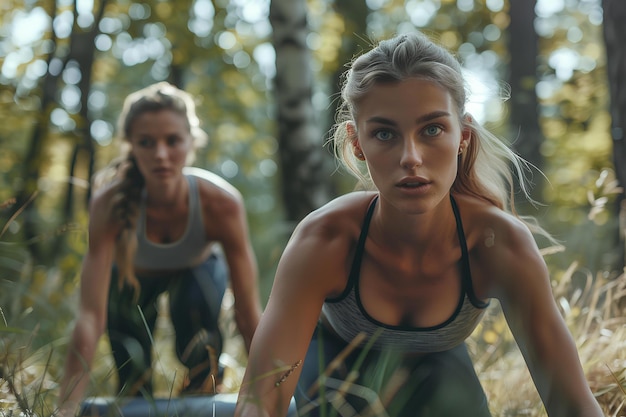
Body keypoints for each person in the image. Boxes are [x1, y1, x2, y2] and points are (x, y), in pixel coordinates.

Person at [234, 32, 604, 417]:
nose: (410, 158)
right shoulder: (324, 239)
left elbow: (573, 405)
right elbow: (259, 405)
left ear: (463, 135)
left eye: (431, 130)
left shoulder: (499, 243)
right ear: (357, 141)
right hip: (332, 381)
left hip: (443, 385)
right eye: (384, 133)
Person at [57, 82, 262, 417]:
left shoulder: (221, 203)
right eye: (146, 143)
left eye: (173, 140)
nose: (161, 154)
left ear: (192, 142)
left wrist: (267, 397)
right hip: (131, 280)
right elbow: (90, 316)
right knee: (131, 363)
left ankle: (203, 392)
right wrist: (66, 406)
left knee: (201, 337)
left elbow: (248, 312)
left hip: (197, 276)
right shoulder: (108, 204)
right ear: (131, 146)